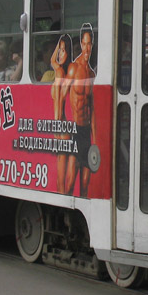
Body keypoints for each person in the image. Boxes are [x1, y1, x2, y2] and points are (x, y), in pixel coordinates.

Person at [64, 24, 96, 197]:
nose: (87, 48)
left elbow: (93, 110)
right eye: (84, 44)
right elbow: (61, 95)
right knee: (70, 182)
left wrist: (95, 138)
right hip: (74, 130)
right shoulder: (73, 69)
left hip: (86, 132)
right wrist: (61, 124)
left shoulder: (91, 74)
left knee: (85, 183)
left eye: (90, 44)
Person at [49, 35, 73, 194]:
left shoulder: (61, 73)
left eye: (63, 51)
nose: (59, 54)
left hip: (62, 130)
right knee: (59, 179)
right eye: (59, 51)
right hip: (58, 129)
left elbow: (52, 61)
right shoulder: (62, 73)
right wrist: (59, 44)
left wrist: (59, 44)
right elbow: (53, 60)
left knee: (61, 179)